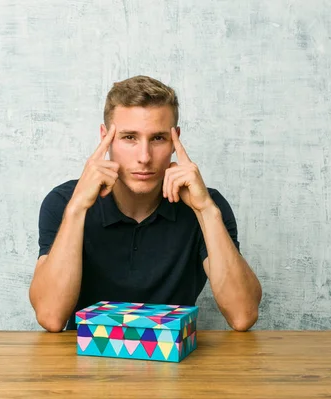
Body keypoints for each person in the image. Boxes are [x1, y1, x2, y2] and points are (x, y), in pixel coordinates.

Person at [29, 75, 262, 332]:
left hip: (175, 362)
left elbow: (243, 315)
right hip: (86, 361)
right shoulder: (63, 202)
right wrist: (77, 209)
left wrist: (206, 211)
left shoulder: (208, 205)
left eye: (158, 139)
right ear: (105, 138)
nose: (144, 157)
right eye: (129, 137)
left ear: (176, 141)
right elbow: (51, 317)